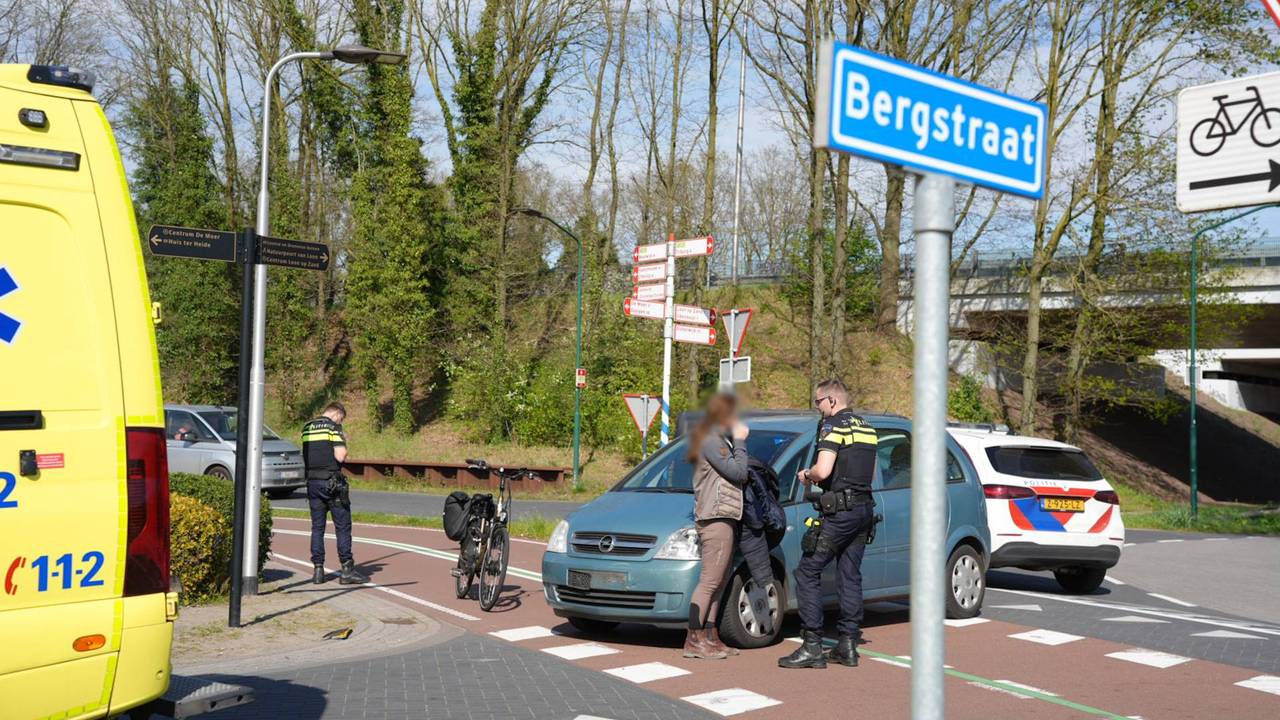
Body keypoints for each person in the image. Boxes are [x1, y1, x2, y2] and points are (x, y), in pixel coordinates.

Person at [779, 379, 877, 669]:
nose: (818, 408)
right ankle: (847, 645)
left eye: (818, 402)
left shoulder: (833, 426)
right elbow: (869, 478)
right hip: (864, 511)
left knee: (807, 571)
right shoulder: (868, 428)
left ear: (832, 400)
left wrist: (806, 475)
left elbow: (823, 470)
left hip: (841, 513)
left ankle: (812, 646)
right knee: (849, 573)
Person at [684, 393, 751, 660]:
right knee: (709, 582)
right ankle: (693, 639)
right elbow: (739, 473)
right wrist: (742, 441)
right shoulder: (711, 440)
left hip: (723, 516)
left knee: (719, 582)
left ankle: (710, 636)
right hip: (716, 517)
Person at [302, 402, 367, 585]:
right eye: (342, 419)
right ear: (338, 414)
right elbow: (340, 455)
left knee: (317, 528)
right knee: (342, 526)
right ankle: (346, 569)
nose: (341, 422)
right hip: (332, 484)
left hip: (313, 483)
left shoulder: (307, 428)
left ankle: (318, 570)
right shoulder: (333, 427)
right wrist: (341, 438)